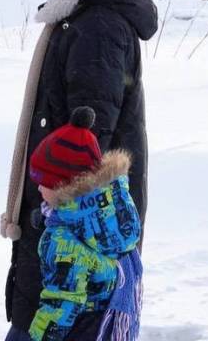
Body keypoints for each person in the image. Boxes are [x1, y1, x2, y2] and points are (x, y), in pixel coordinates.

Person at [1, 0, 158, 339]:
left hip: (79, 228)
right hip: (72, 218)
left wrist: (53, 205)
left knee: (49, 324)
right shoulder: (85, 20)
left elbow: (86, 144)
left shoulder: (97, 29)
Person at [27, 106, 142, 340]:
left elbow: (63, 302)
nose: (38, 188)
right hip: (105, 323)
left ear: (63, 187)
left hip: (80, 329)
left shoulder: (62, 241)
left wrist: (39, 336)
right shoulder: (114, 208)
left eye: (43, 182)